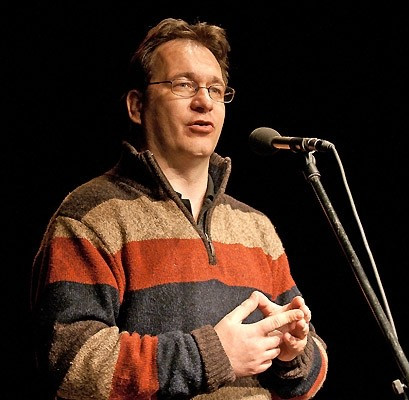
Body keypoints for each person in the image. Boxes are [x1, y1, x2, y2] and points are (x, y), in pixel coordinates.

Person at [30, 17, 328, 399]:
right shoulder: (92, 216)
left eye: (216, 89)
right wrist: (209, 356)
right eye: (183, 84)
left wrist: (293, 354)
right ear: (137, 106)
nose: (204, 101)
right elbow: (71, 365)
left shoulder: (256, 228)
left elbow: (310, 376)